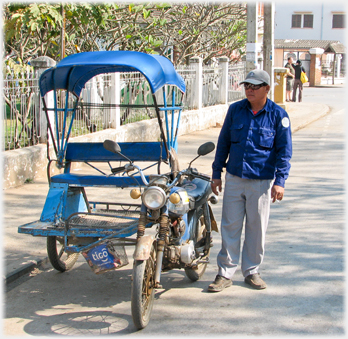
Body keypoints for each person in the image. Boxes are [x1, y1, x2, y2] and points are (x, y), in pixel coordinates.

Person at [207, 69, 292, 292]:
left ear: (267, 88)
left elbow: (284, 152)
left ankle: (252, 271)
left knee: (256, 228)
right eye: (247, 86)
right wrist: (217, 173)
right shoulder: (235, 110)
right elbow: (223, 142)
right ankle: (225, 273)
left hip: (261, 182)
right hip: (234, 178)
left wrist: (280, 181)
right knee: (230, 226)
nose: (249, 90)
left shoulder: (278, 115)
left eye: (255, 86)